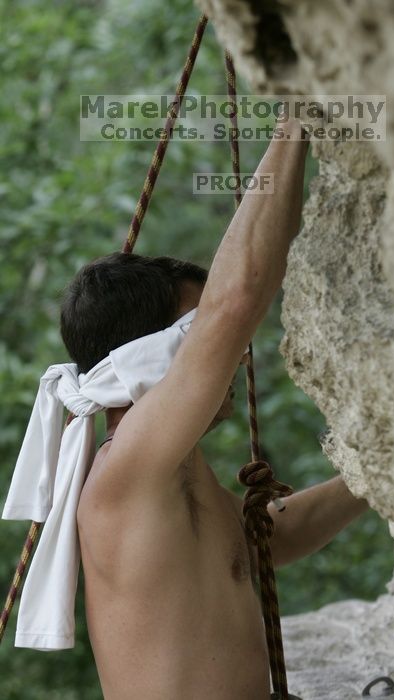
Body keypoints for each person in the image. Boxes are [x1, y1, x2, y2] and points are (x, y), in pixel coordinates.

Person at [60, 115, 369, 699]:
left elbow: (262, 543)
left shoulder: (166, 474)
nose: (229, 358)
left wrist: (377, 477)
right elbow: (238, 299)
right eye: (195, 337)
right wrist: (294, 119)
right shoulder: (124, 473)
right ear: (152, 360)